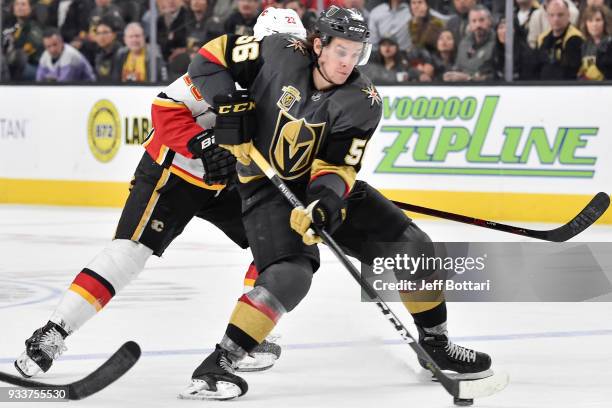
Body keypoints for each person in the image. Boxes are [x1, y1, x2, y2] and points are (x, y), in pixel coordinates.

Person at [182, 5, 491, 400]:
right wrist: (228, 105)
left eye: (357, 52)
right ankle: (218, 364)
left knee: (415, 248)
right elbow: (205, 61)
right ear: (318, 45)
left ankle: (436, 344)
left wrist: (325, 205)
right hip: (265, 189)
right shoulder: (278, 50)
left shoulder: (364, 101)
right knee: (291, 276)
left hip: (317, 186)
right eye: (341, 51)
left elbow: (336, 168)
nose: (349, 62)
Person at [14, 7, 310, 380]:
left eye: (294, 46)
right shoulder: (230, 65)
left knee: (277, 246)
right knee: (129, 253)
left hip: (229, 180)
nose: (287, 52)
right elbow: (165, 107)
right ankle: (52, 333)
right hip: (174, 171)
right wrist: (202, 143)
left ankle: (249, 337)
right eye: (278, 44)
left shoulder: (295, 84)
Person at [444, 4, 496, 81]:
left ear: (489, 21)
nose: (478, 25)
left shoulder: (497, 44)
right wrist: (452, 74)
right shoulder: (464, 43)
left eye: (481, 20)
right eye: (474, 21)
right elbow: (457, 67)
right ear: (470, 24)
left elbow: (494, 76)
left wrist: (469, 78)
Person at [535, 0, 584, 79]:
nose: (556, 19)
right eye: (552, 15)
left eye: (560, 15)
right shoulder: (542, 38)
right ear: (547, 17)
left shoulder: (575, 38)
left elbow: (571, 71)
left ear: (568, 15)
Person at [578, 4, 612, 79]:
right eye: (590, 20)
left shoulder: (610, 44)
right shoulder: (584, 46)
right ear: (585, 23)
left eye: (598, 20)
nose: (594, 24)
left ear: (605, 22)